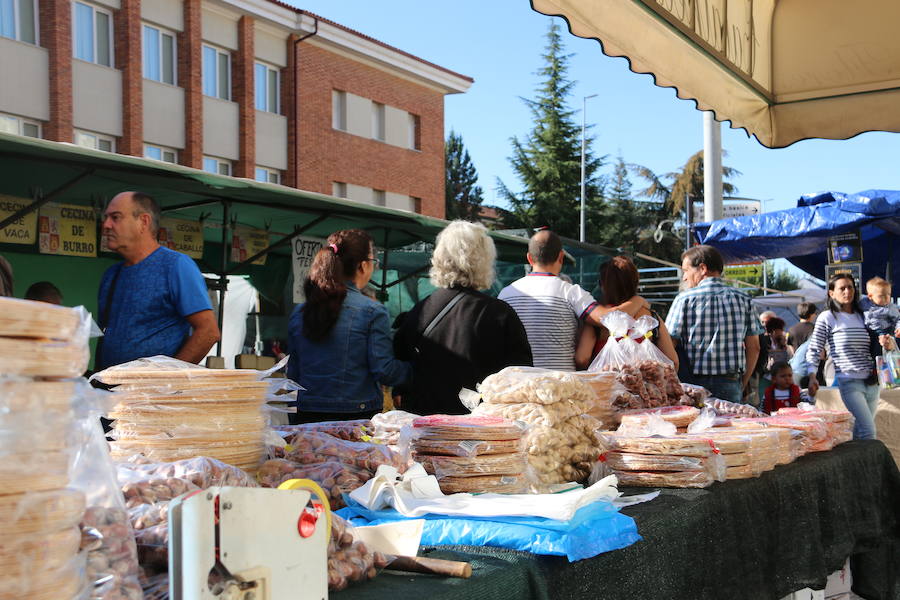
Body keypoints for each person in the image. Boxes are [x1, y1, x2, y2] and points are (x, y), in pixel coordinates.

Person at [393, 221, 532, 414]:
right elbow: (520, 379)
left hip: (425, 429)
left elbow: (401, 370)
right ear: (484, 259)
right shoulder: (500, 314)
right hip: (480, 431)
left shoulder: (419, 311)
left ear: (440, 257)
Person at [286, 229, 410, 423]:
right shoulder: (372, 311)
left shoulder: (299, 312)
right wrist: (415, 369)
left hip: (306, 412)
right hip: (355, 416)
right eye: (373, 261)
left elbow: (292, 374)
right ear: (362, 266)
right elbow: (384, 370)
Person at [97, 192, 220, 370]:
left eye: (115, 217)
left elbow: (208, 332)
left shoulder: (175, 266)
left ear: (143, 222)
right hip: (111, 393)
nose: (106, 225)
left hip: (156, 395)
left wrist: (167, 380)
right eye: (106, 217)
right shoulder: (111, 275)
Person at [498, 229, 646, 371]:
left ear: (529, 258)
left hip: (517, 386)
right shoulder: (570, 292)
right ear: (561, 257)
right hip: (561, 387)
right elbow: (610, 319)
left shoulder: (505, 295)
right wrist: (638, 300)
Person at [665, 245, 763, 404]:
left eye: (686, 270)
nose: (684, 277)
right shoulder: (744, 299)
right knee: (727, 427)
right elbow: (755, 348)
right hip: (730, 383)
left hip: (691, 385)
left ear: (702, 268)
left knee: (695, 427)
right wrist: (742, 383)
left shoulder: (684, 299)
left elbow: (669, 344)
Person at [806, 273, 892, 440]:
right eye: (842, 288)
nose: (847, 291)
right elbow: (815, 348)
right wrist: (811, 375)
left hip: (872, 380)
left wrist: (886, 343)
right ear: (832, 293)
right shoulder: (828, 317)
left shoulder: (865, 315)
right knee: (869, 431)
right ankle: (870, 466)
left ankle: (856, 465)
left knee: (860, 431)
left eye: (850, 287)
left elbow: (878, 341)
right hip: (849, 380)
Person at [575, 255, 678, 370]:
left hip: (606, 385)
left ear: (603, 285)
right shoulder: (652, 318)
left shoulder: (599, 320)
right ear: (635, 282)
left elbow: (582, 358)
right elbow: (673, 361)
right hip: (644, 387)